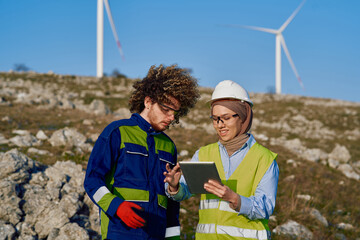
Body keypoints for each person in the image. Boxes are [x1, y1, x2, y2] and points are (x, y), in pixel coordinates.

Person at [84, 64, 200, 240]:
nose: (171, 118)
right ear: (148, 102)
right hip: (119, 233)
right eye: (166, 109)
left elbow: (170, 203)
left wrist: (173, 237)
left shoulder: (169, 146)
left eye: (175, 113)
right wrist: (116, 206)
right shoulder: (117, 132)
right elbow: (92, 180)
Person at [164, 80, 279, 240]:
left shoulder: (265, 159)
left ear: (243, 116)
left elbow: (265, 208)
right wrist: (174, 186)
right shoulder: (203, 154)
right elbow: (184, 192)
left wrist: (235, 199)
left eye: (226, 118)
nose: (220, 125)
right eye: (215, 118)